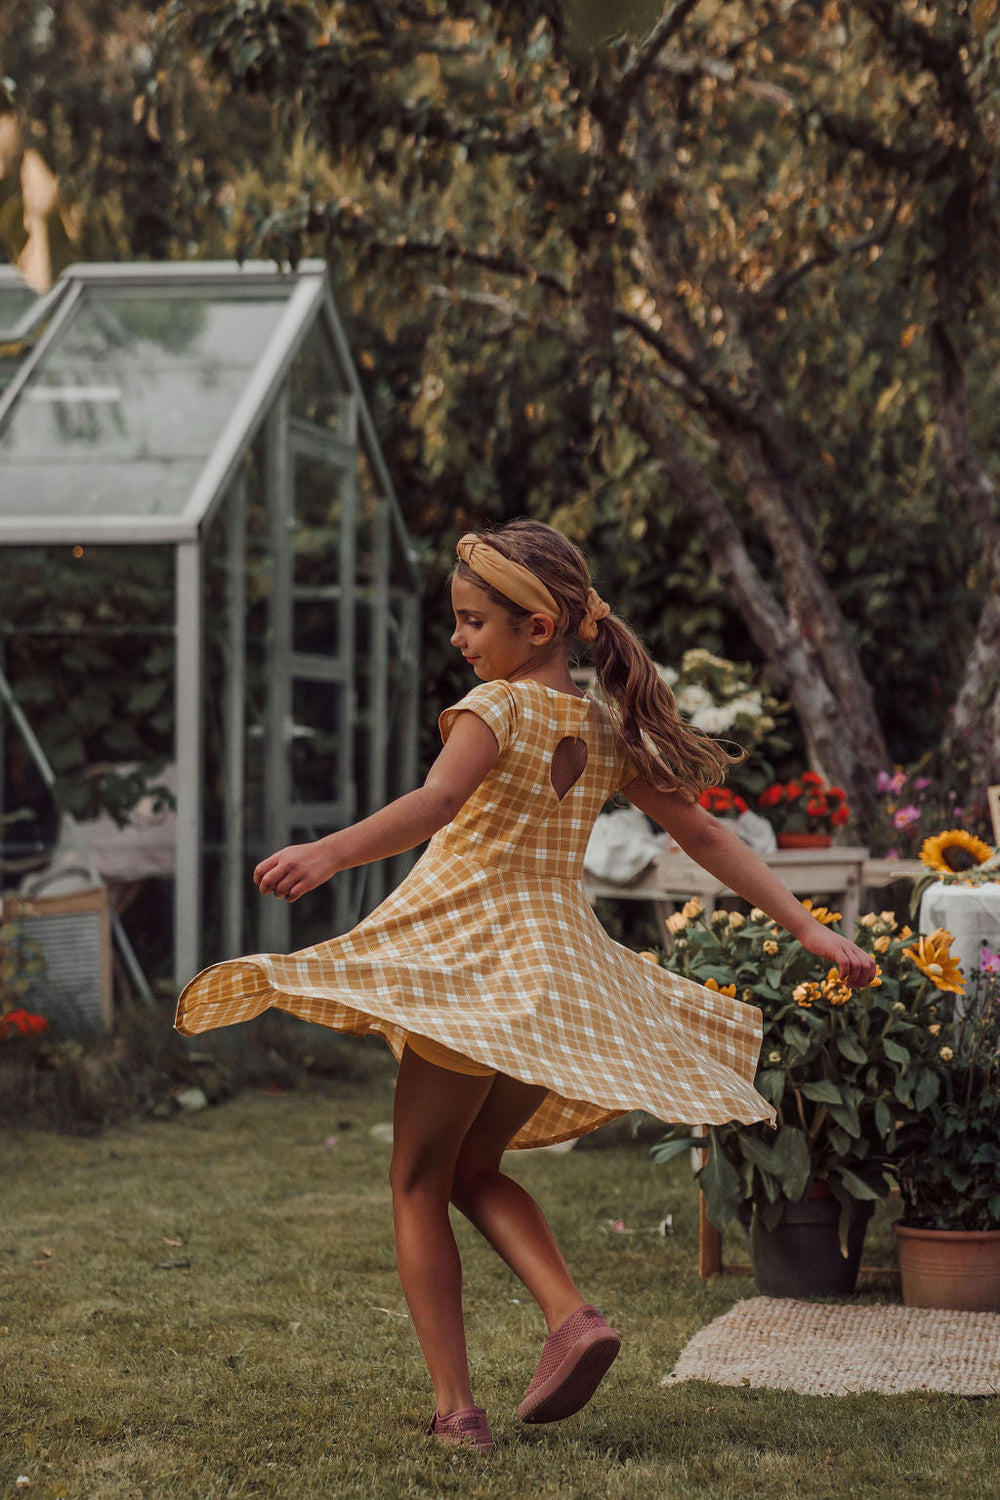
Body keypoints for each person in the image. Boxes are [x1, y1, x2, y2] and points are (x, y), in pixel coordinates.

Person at [175, 520, 877, 1454]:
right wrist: (809, 927)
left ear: (539, 628)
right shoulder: (604, 725)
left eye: (473, 621)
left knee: (418, 1178)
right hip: (550, 975)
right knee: (473, 1169)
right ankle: (570, 1318)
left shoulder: (496, 707)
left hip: (476, 964)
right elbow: (706, 835)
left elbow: (437, 804)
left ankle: (457, 1411)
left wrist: (330, 851)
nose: (459, 638)